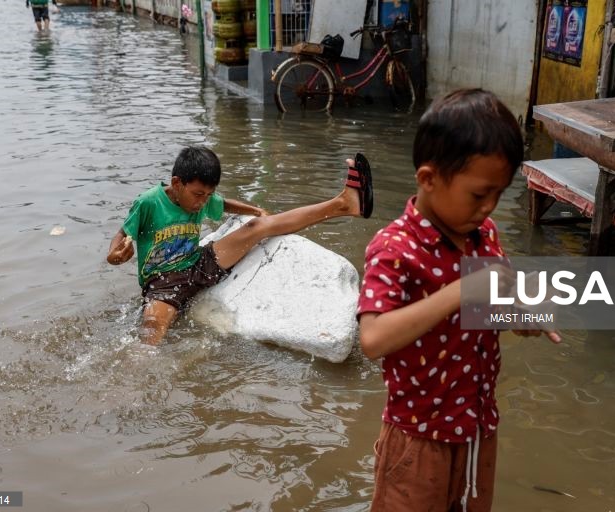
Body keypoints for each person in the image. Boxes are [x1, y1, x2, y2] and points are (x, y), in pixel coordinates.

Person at [357, 89, 561, 512]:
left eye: (498, 195)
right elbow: (373, 339)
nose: (489, 208)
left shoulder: (483, 236)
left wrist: (523, 315)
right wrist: (460, 291)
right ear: (428, 179)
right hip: (418, 436)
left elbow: (488, 306)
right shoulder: (394, 248)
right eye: (479, 194)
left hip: (477, 428)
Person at [107, 146, 373, 346]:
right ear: (177, 183)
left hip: (199, 263)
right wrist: (115, 256)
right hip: (163, 283)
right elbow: (121, 234)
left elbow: (224, 204)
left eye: (208, 195)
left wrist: (255, 210)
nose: (202, 203)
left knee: (257, 228)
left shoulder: (204, 198)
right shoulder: (149, 202)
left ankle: (343, 204)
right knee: (152, 331)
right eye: (198, 194)